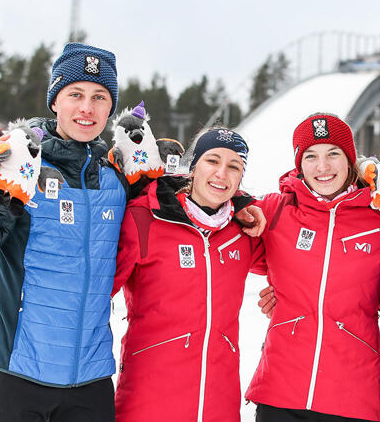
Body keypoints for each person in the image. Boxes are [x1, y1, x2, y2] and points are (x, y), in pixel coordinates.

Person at [0, 43, 126, 422]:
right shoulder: (21, 166)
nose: (87, 108)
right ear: (55, 101)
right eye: (75, 94)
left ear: (110, 109)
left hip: (90, 386)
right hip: (17, 378)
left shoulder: (118, 181)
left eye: (99, 97)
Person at [245, 113, 380, 422]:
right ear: (299, 165)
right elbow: (217, 210)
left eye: (333, 154)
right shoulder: (277, 209)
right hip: (281, 391)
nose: (322, 167)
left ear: (350, 160)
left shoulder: (379, 220)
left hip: (354, 394)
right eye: (311, 156)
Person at [111, 127, 265, 422]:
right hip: (148, 400)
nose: (222, 173)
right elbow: (95, 287)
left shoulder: (241, 232)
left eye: (235, 167)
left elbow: (301, 265)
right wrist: (23, 299)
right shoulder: (144, 218)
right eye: (212, 160)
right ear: (193, 168)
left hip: (218, 404)